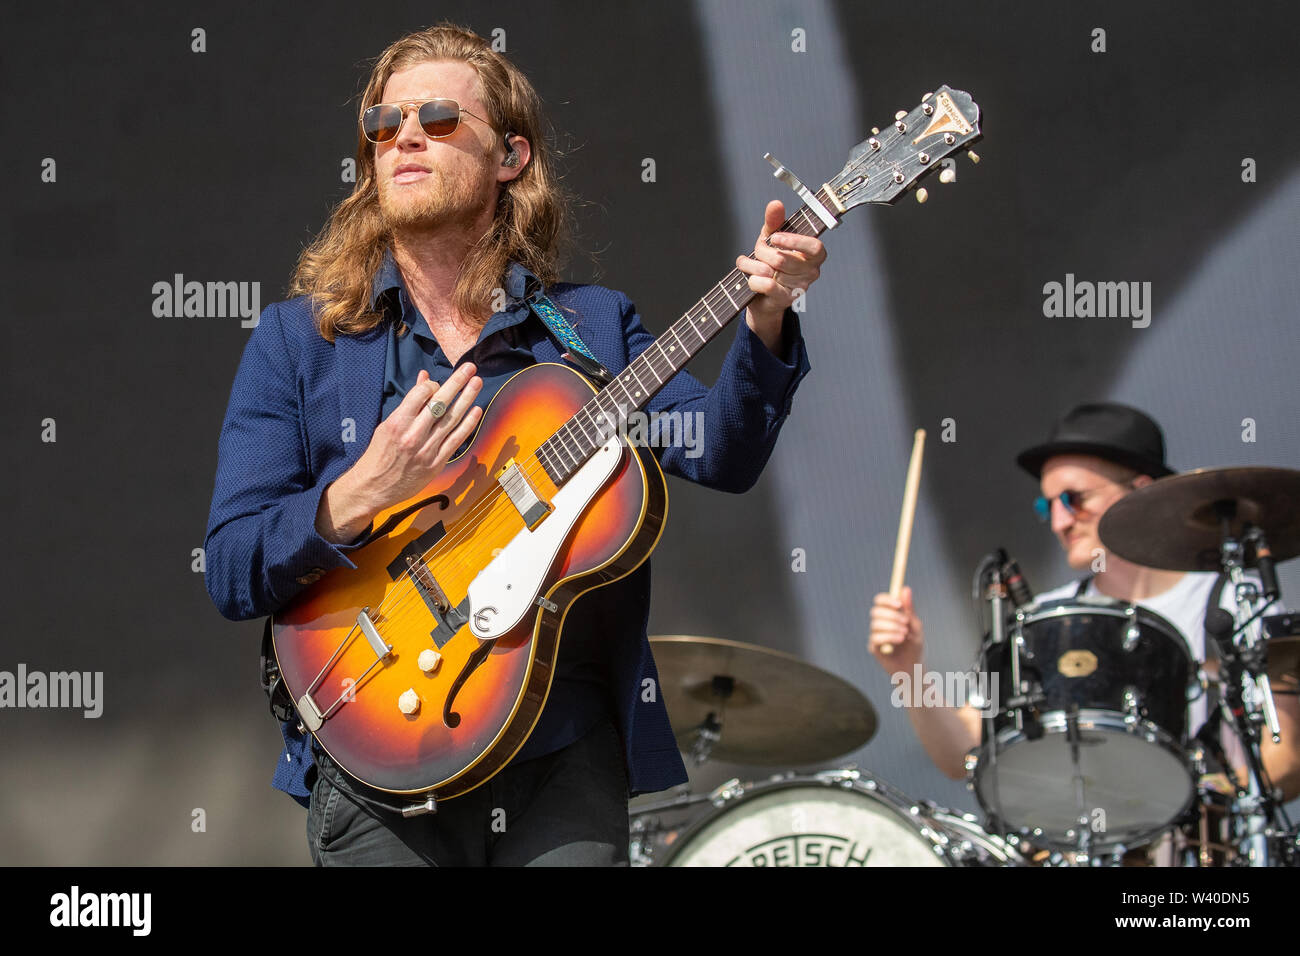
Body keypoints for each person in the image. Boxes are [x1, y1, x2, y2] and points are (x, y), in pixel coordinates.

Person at [203, 24, 825, 866]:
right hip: (375, 761)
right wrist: (363, 491)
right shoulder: (298, 342)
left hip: (560, 761)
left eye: (437, 118)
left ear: (511, 156)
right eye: (382, 126)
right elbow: (235, 566)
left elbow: (720, 451)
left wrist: (766, 318)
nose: (404, 137)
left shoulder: (591, 326)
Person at [868, 402, 1300, 809]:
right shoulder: (1047, 618)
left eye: (1074, 499)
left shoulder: (1229, 601)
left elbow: (1286, 762)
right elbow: (964, 751)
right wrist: (909, 669)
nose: (1058, 521)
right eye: (1046, 504)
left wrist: (1176, 806)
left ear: (1140, 492)